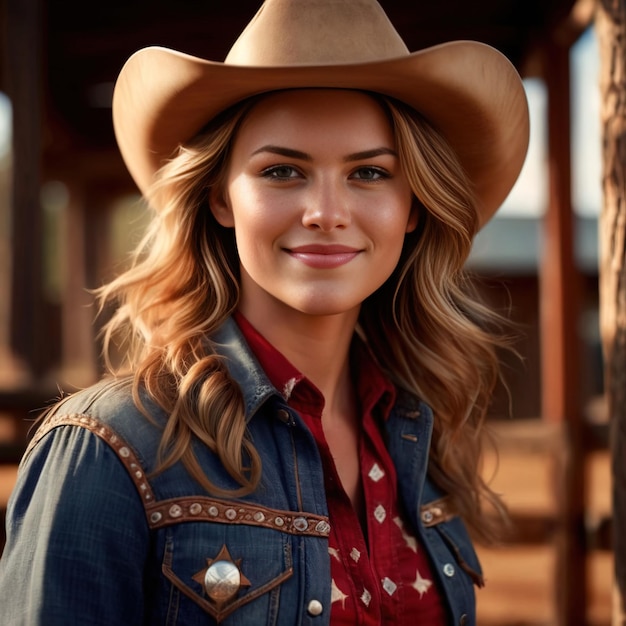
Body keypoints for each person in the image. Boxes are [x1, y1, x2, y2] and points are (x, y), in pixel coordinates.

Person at [0, 0, 529, 624]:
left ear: (413, 206)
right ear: (222, 197)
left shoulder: (419, 431)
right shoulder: (107, 450)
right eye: (281, 170)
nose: (325, 212)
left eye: (368, 172)